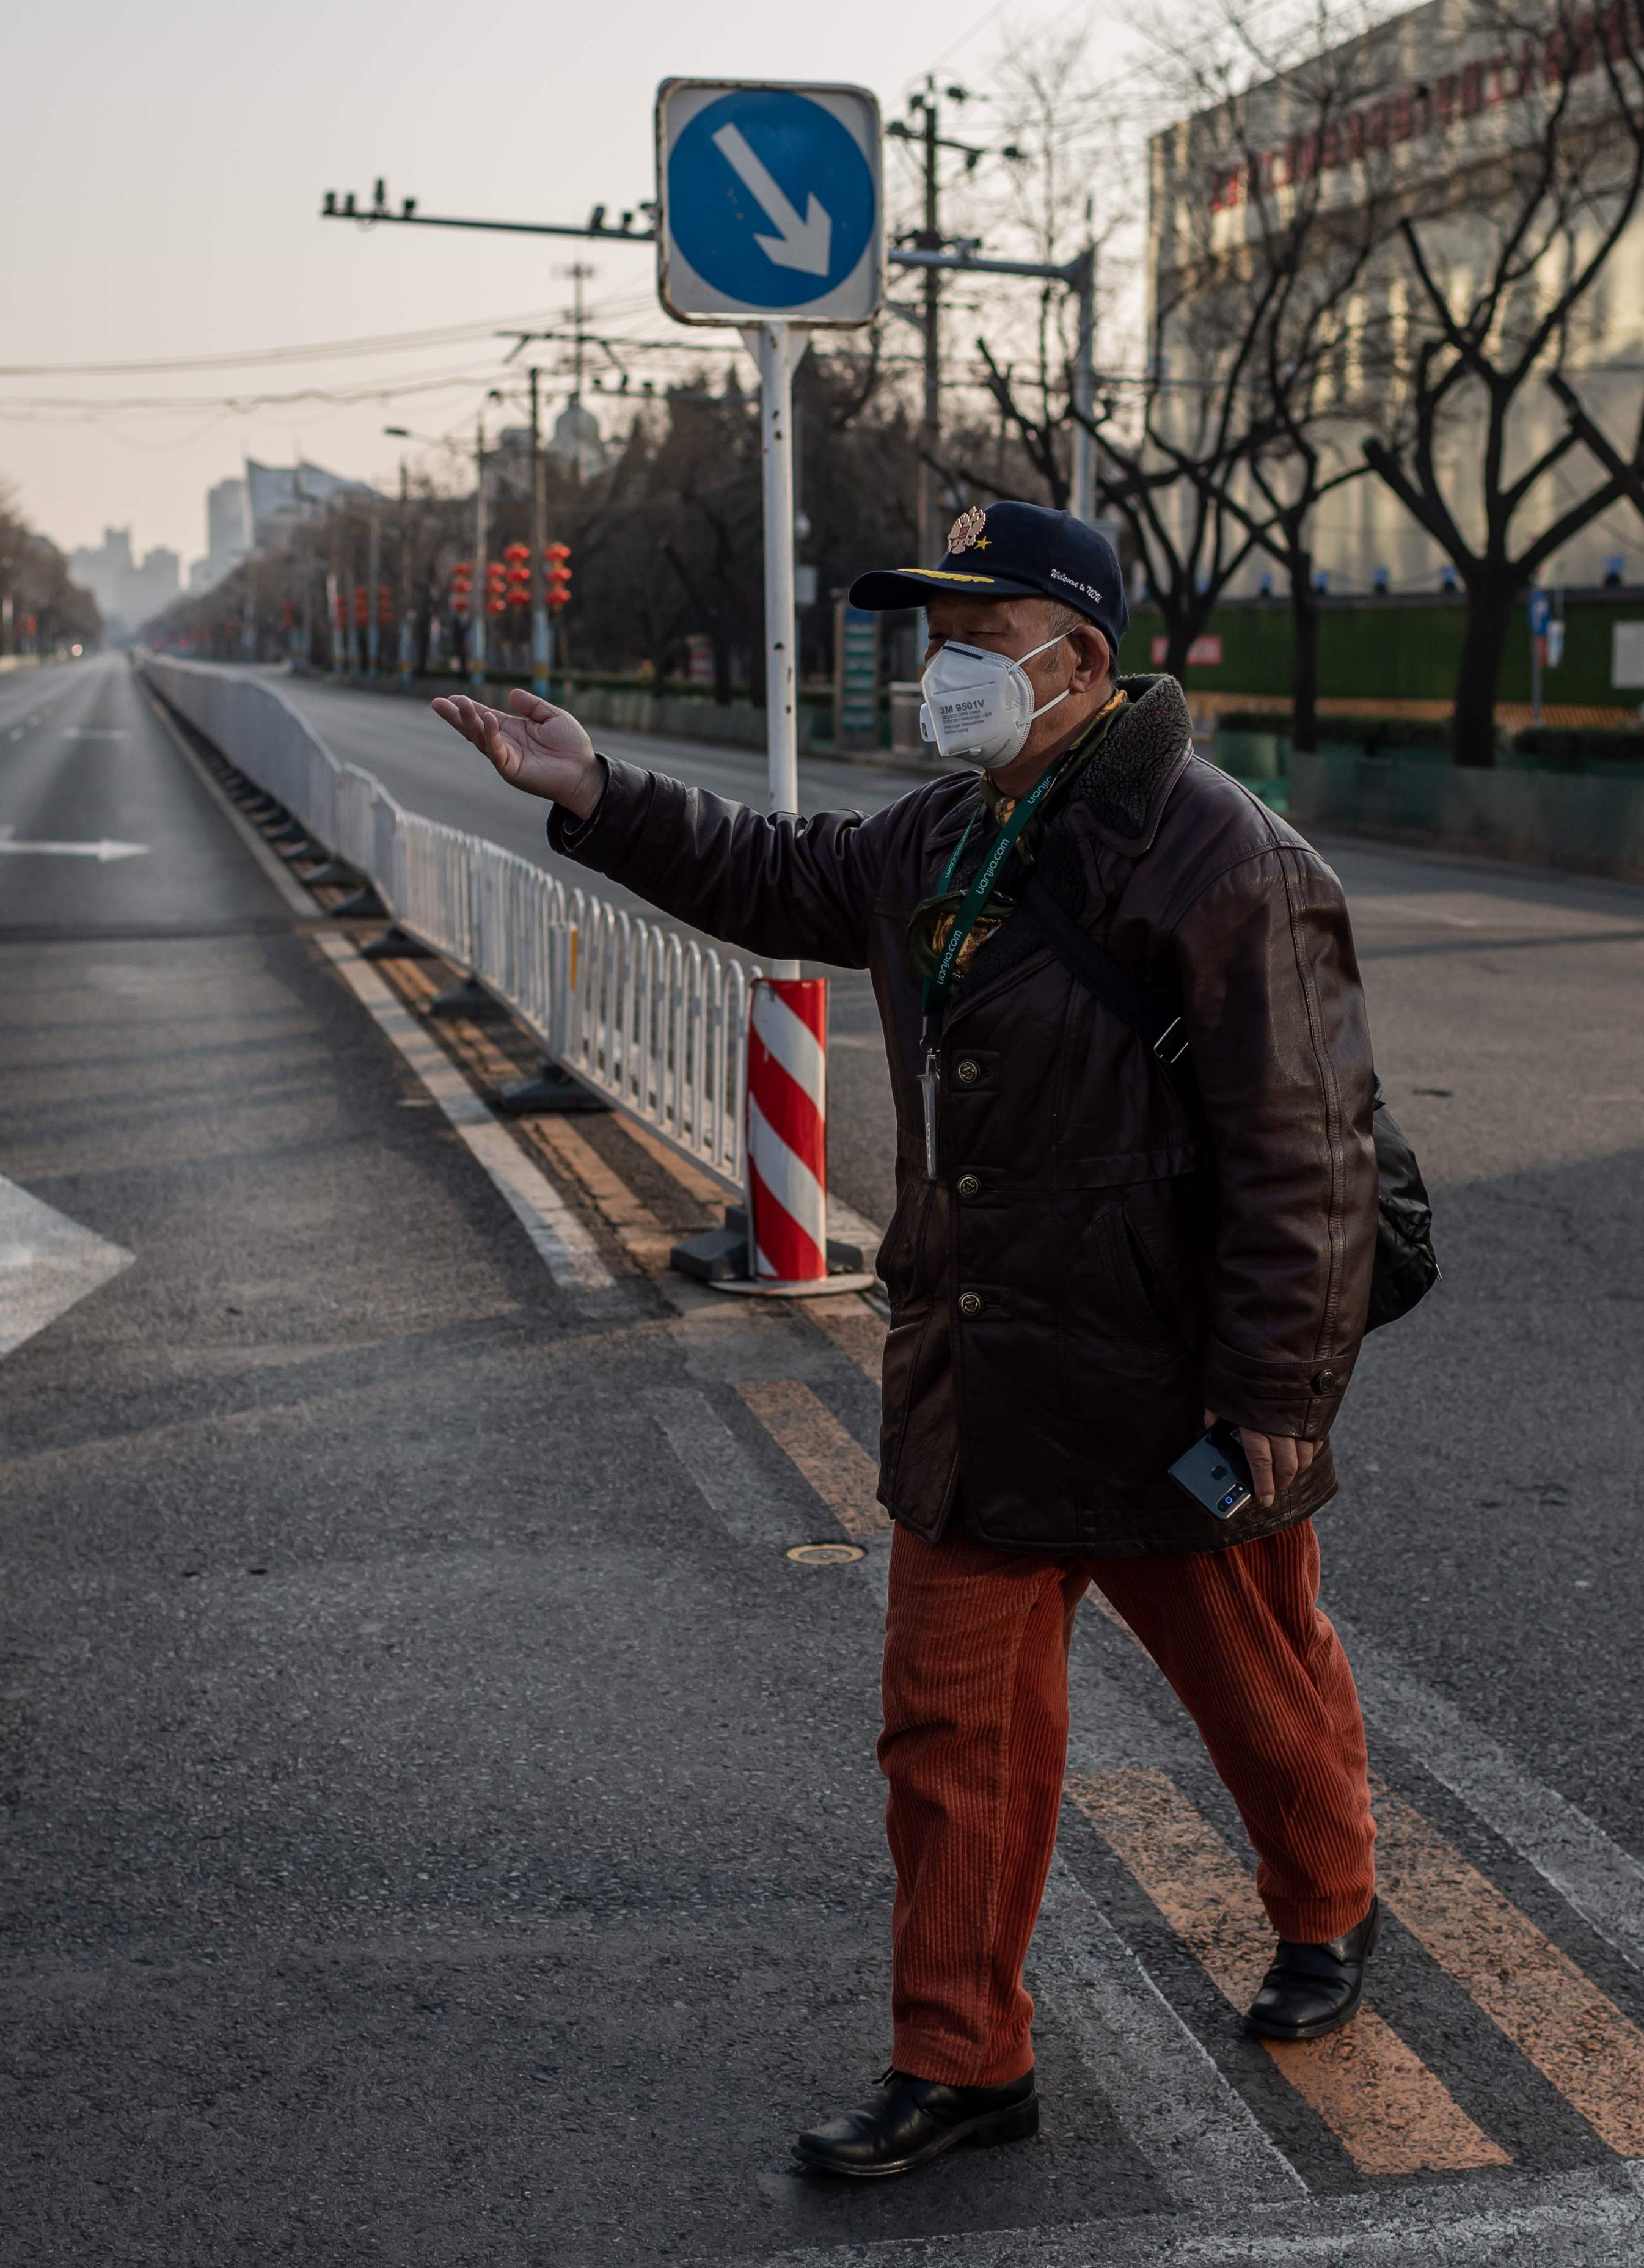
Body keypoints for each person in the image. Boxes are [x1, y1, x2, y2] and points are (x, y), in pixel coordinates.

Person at [430, 500, 1381, 2181]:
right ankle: (961, 2058)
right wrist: (592, 791)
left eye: (976, 632)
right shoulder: (943, 836)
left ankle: (1326, 1908)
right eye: (929, 634)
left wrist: (1279, 1395)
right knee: (949, 1737)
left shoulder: (1221, 856)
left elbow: (1304, 1152)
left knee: (1260, 1696)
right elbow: (772, 872)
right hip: (981, 1377)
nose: (940, 667)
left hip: (1167, 1379)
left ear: (1080, 660)